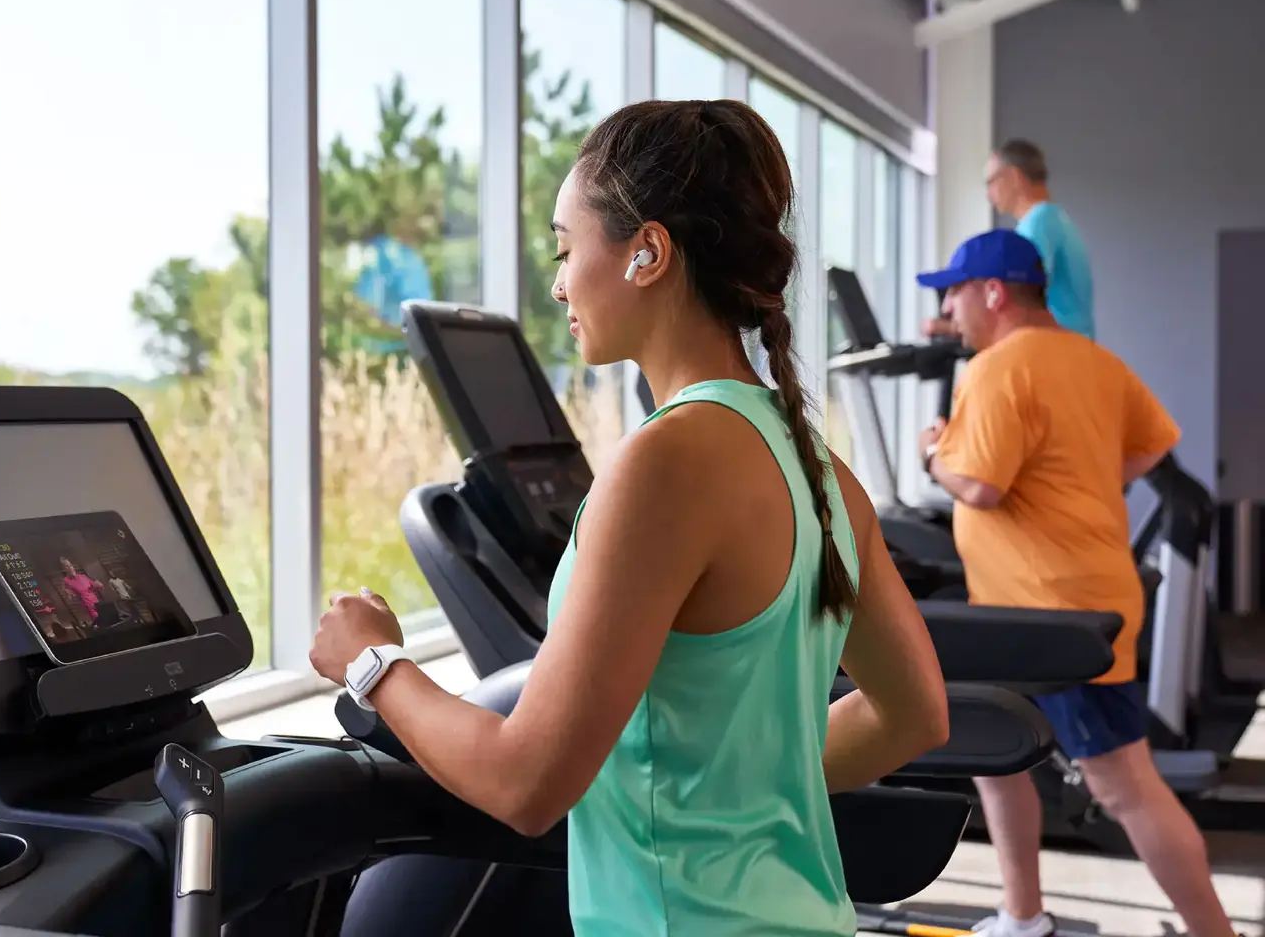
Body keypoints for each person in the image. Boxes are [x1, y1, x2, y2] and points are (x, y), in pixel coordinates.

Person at [310, 99, 950, 936]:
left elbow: (526, 784)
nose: (558, 281)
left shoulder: (664, 465)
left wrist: (372, 663)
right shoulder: (820, 469)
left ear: (647, 252)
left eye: (566, 247)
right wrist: (731, 781)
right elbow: (914, 713)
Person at [916, 229, 1235, 937]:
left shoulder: (999, 368)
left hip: (1052, 616)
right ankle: (1023, 915)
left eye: (956, 291)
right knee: (996, 756)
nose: (948, 307)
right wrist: (1081, 479)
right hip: (1044, 605)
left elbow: (978, 485)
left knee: (1123, 785)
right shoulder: (1095, 360)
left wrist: (933, 455)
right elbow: (1152, 447)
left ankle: (1216, 931)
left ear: (993, 293)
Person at [925, 139, 1095, 341]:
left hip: (1055, 350)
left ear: (1014, 177)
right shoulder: (1053, 219)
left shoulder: (1038, 224)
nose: (988, 194)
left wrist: (953, 327)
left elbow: (1016, 301)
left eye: (991, 182)